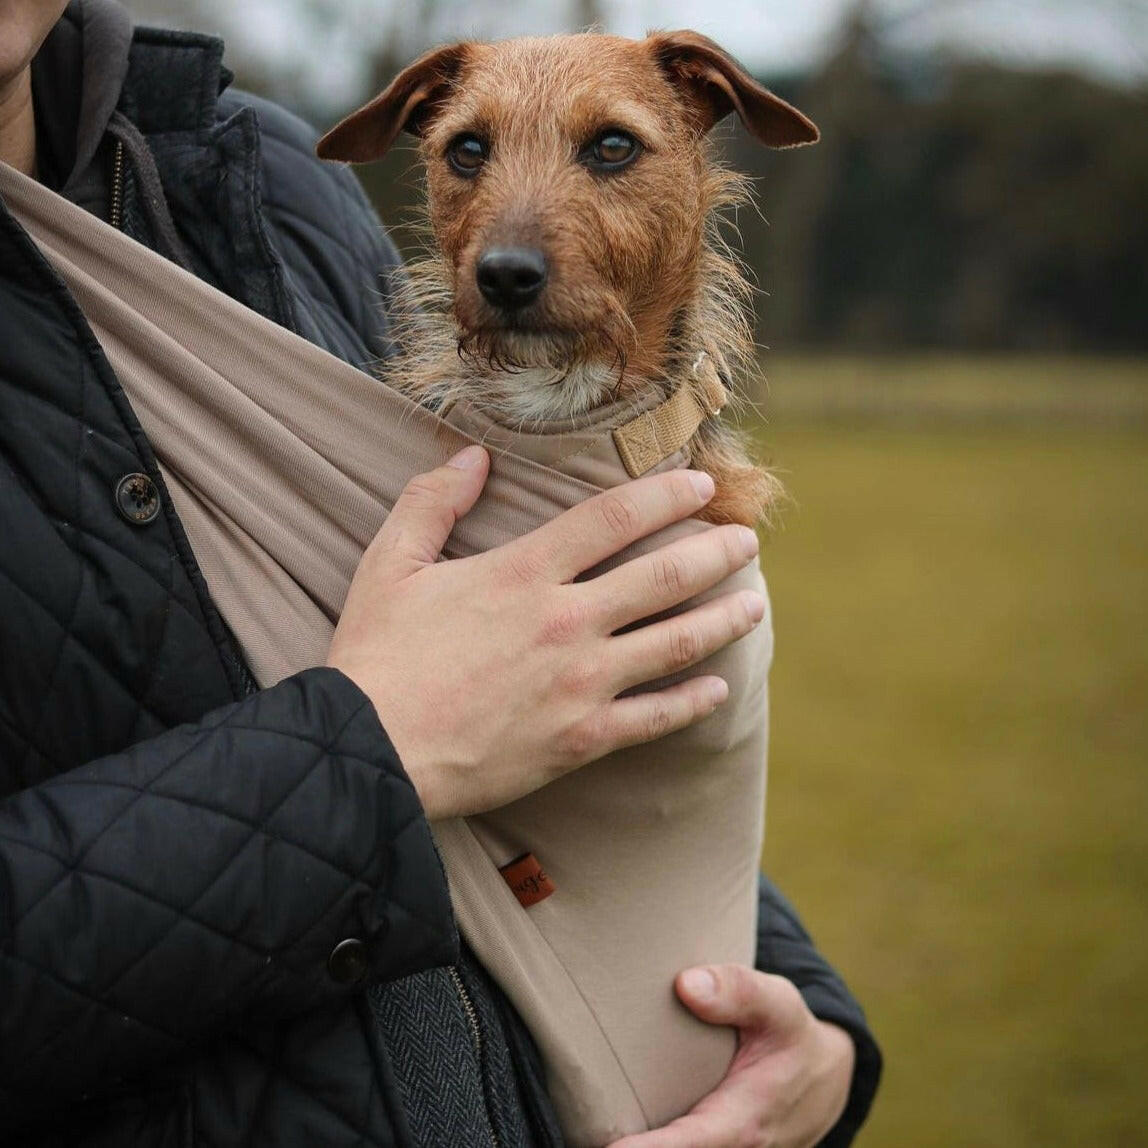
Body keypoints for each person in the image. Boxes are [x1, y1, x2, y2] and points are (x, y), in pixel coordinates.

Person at [0, 1, 881, 1145]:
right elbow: (447, 701)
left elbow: (568, 726)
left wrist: (811, 1028)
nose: (508, 239)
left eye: (607, 148)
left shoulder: (262, 178)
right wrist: (371, 749)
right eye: (467, 151)